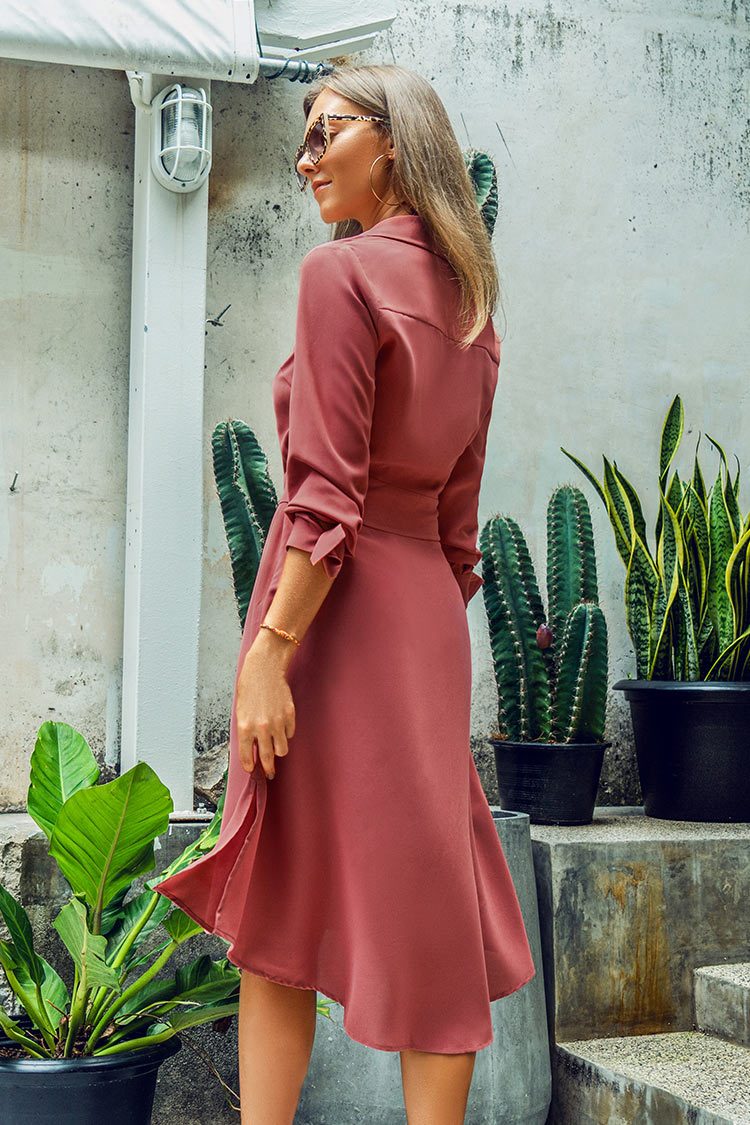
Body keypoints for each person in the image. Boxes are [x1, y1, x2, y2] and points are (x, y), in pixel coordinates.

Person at [154, 63, 536, 1125]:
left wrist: (272, 650)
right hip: (417, 622)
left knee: (281, 902)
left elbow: (325, 497)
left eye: (325, 134)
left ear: (395, 143)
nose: (305, 157)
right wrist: (412, 648)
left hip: (322, 619)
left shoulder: (342, 276)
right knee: (427, 913)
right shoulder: (475, 310)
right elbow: (459, 535)